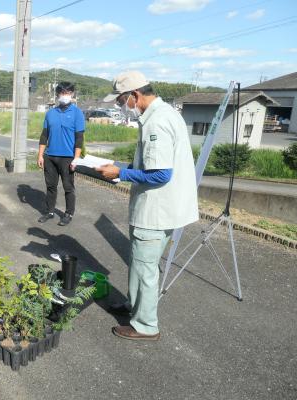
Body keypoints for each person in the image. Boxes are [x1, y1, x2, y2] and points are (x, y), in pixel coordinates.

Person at [98, 71, 199, 341]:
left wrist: (120, 174)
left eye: (121, 101)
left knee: (144, 267)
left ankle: (145, 325)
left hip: (156, 211)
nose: (122, 107)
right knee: (139, 262)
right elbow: (150, 166)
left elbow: (160, 174)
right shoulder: (163, 114)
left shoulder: (157, 122)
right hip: (160, 208)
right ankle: (135, 305)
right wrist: (120, 167)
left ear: (135, 95)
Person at [37, 82, 85, 226]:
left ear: (72, 94)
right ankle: (50, 211)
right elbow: (44, 135)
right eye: (63, 93)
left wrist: (76, 158)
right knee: (50, 186)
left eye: (68, 93)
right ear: (57, 95)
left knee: (68, 187)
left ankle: (68, 213)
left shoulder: (77, 113)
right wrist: (40, 155)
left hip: (68, 157)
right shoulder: (50, 113)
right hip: (50, 156)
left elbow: (79, 138)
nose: (65, 96)